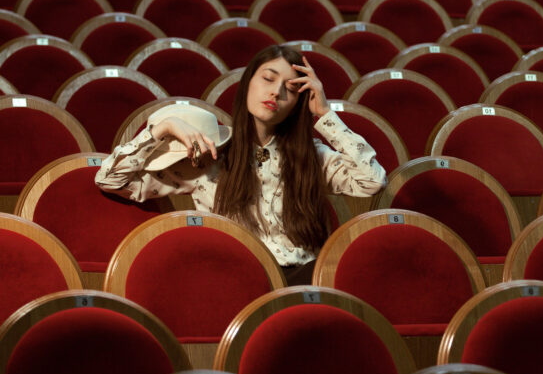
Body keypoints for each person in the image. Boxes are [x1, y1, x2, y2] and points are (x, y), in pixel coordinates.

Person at [95, 44, 387, 283]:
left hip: (303, 280)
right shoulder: (210, 155)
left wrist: (324, 113)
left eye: (291, 88)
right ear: (248, 84)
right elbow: (110, 180)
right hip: (237, 278)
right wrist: (162, 128)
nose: (276, 92)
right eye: (268, 79)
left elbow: (372, 181)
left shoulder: (312, 156)